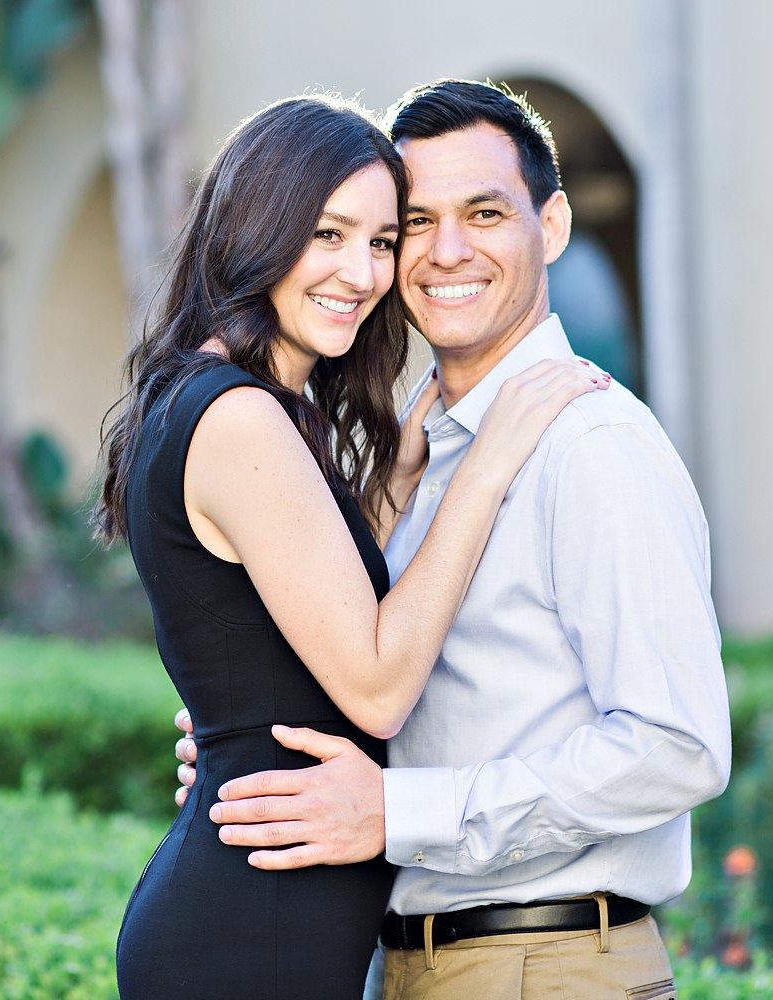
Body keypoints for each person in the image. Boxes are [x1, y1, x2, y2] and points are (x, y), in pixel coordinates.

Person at [175, 80, 732, 999]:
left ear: (549, 228)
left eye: (484, 213)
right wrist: (256, 738)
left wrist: (395, 812)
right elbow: (399, 679)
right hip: (410, 963)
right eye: (414, 225)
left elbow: (677, 745)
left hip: (547, 967)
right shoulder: (430, 453)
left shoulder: (590, 446)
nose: (447, 253)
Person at [94, 93, 608, 1000]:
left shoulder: (220, 403)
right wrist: (483, 468)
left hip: (258, 917)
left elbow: (283, 613)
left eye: (380, 241)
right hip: (248, 940)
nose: (363, 273)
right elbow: (374, 686)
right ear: (259, 229)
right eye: (328, 234)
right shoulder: (241, 419)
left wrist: (397, 489)